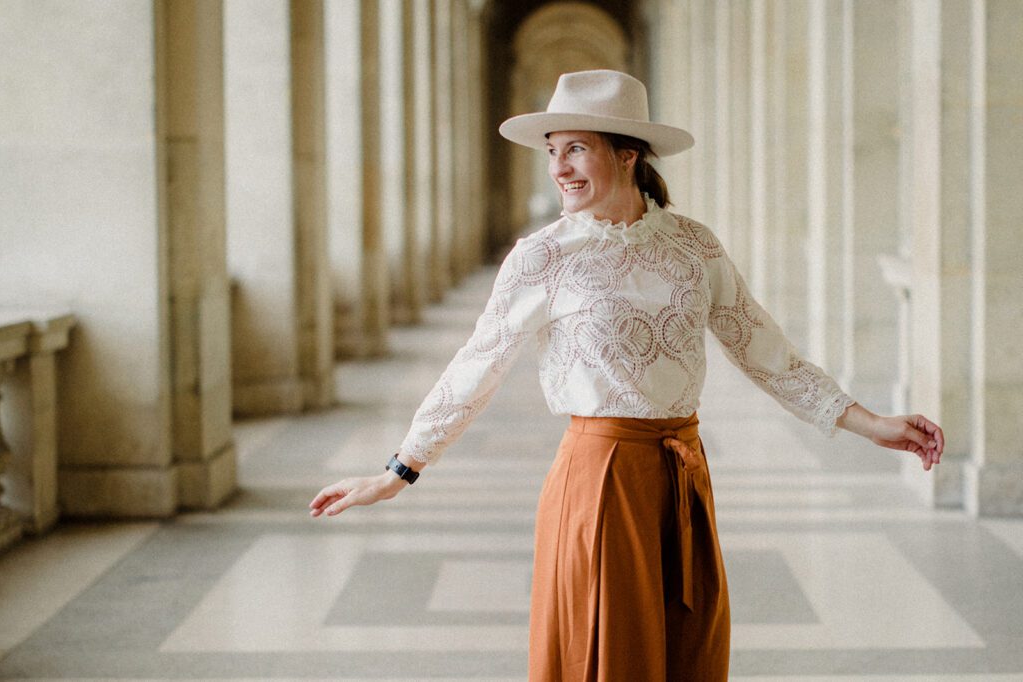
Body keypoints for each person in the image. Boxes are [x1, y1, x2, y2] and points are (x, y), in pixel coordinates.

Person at [309, 70, 944, 681]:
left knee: (686, 655)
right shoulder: (543, 256)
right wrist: (399, 471)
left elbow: (765, 352)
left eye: (576, 149)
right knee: (606, 657)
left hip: (682, 478)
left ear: (628, 156)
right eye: (554, 151)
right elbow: (476, 364)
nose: (558, 167)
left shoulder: (695, 247)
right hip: (600, 483)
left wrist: (871, 424)